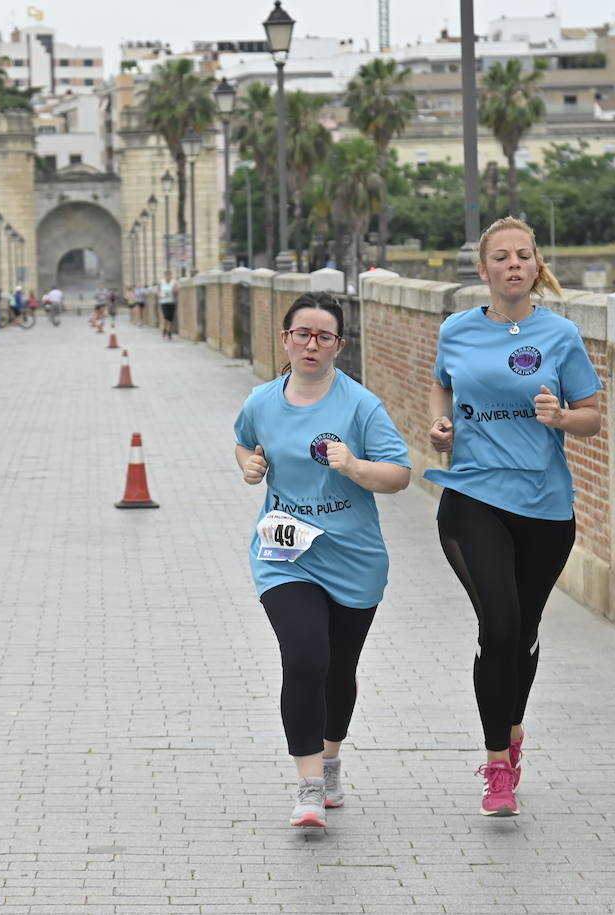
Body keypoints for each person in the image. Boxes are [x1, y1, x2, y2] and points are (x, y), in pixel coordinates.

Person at [427, 216, 603, 817]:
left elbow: (592, 417)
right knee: (498, 627)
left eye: (522, 256)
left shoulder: (562, 336)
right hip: (472, 497)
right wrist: (441, 427)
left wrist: (561, 418)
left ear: (536, 266)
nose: (512, 265)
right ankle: (497, 764)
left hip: (544, 507)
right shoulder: (456, 330)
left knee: (523, 634)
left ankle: (513, 726)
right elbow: (441, 387)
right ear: (484, 271)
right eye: (499, 257)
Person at [233, 292, 412, 829]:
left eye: (324, 336)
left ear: (339, 344)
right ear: (285, 338)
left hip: (353, 557)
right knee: (306, 655)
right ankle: (308, 786)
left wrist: (356, 467)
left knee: (339, 669)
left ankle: (331, 759)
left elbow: (399, 474)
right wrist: (250, 465)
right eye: (302, 334)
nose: (312, 345)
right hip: (285, 555)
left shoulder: (361, 406)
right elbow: (245, 443)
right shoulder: (262, 401)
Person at [158, 270, 177, 340]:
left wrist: (174, 289)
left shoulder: (174, 282)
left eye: (170, 275)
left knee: (170, 318)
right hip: (164, 302)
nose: (168, 276)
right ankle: (165, 329)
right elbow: (158, 290)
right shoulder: (161, 282)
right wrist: (159, 295)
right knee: (166, 316)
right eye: (167, 275)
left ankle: (169, 331)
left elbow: (177, 290)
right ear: (165, 275)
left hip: (171, 301)